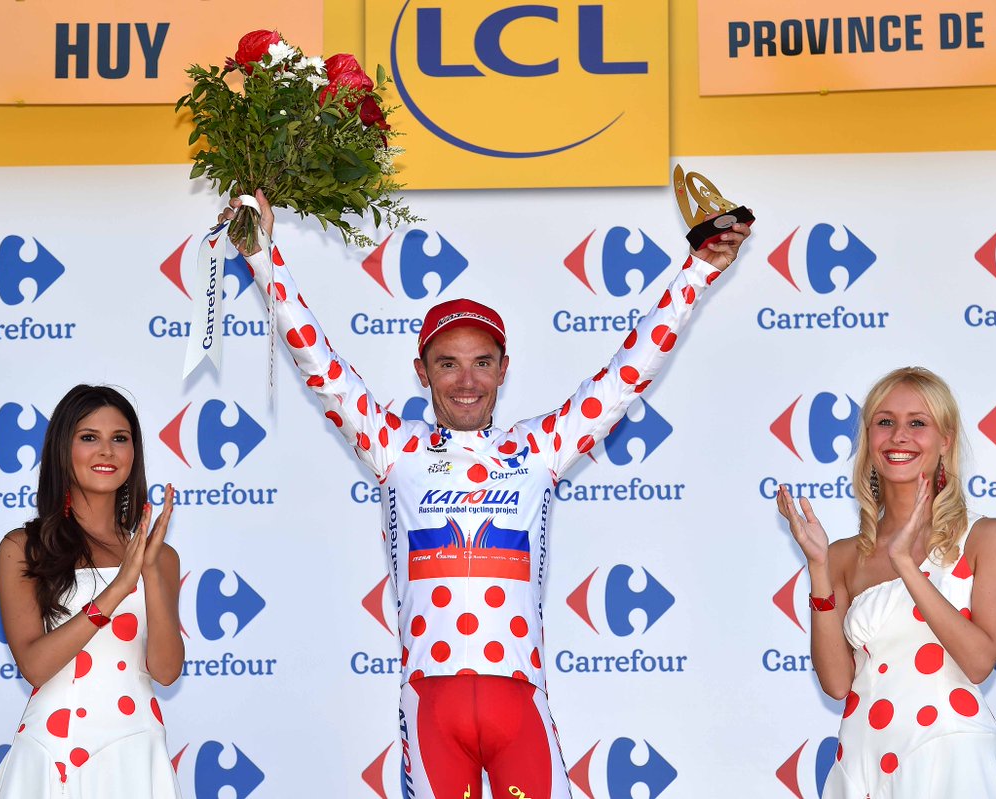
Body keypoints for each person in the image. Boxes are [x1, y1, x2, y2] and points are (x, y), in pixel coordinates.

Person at [223, 190, 749, 799]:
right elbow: (319, 363)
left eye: (482, 362)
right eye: (447, 364)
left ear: (504, 368)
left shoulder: (540, 447)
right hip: (431, 706)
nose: (466, 380)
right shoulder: (396, 448)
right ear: (422, 372)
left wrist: (698, 271)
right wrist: (261, 255)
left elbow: (628, 373)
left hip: (518, 700)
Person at [777, 367, 996, 797]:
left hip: (948, 757)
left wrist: (905, 563)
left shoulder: (988, 537)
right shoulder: (842, 555)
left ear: (946, 440)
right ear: (869, 440)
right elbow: (837, 684)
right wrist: (818, 567)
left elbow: (979, 662)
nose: (899, 436)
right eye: (885, 421)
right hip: (862, 760)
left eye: (917, 423)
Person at [0, 385, 183, 798]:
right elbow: (35, 667)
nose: (107, 451)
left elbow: (166, 672)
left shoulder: (160, 557)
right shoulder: (23, 548)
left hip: (134, 751)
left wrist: (148, 572)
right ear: (63, 449)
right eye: (89, 437)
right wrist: (118, 589)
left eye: (120, 438)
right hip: (54, 752)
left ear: (134, 453)